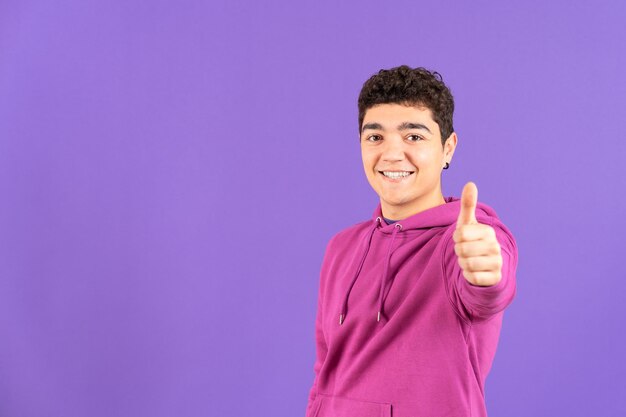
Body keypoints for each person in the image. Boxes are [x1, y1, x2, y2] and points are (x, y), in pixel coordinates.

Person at [304, 65, 518, 417]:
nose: (390, 154)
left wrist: (486, 274)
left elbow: (489, 288)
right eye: (375, 137)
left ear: (447, 148)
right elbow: (324, 371)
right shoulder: (341, 248)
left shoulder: (465, 240)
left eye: (413, 136)